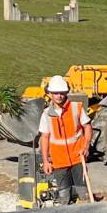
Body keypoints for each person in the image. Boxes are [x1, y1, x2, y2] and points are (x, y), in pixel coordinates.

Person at [39, 75, 92, 205]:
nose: (59, 96)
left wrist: (86, 147)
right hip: (59, 161)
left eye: (61, 93)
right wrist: (46, 161)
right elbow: (44, 138)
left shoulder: (76, 107)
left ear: (66, 92)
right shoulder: (46, 114)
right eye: (56, 93)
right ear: (50, 94)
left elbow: (87, 127)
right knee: (64, 196)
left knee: (83, 194)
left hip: (78, 158)